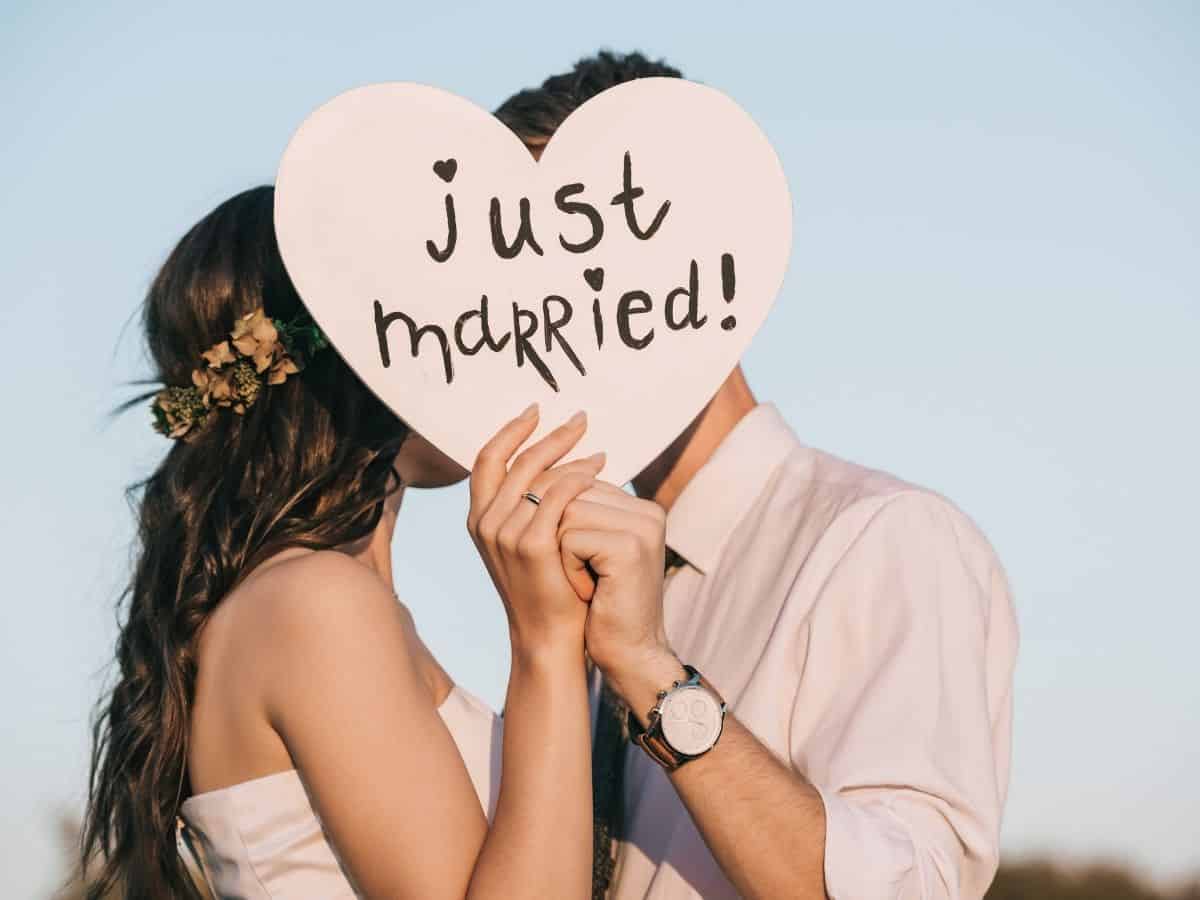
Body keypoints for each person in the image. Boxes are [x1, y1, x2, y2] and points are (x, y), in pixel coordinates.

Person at [497, 51, 1020, 899]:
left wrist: (648, 668)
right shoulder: (575, 582)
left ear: (708, 268)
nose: (554, 312)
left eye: (583, 251)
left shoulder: (883, 539)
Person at [81, 186, 616, 899]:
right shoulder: (317, 604)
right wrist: (545, 643)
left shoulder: (314, 602)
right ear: (368, 351)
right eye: (446, 322)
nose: (482, 346)